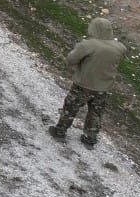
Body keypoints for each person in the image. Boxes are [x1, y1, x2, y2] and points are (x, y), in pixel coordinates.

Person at [48, 17, 126, 148]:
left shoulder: (88, 45)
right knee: (95, 113)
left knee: (70, 108)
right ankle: (90, 139)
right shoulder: (120, 48)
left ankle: (60, 132)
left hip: (83, 85)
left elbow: (71, 59)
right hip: (103, 87)